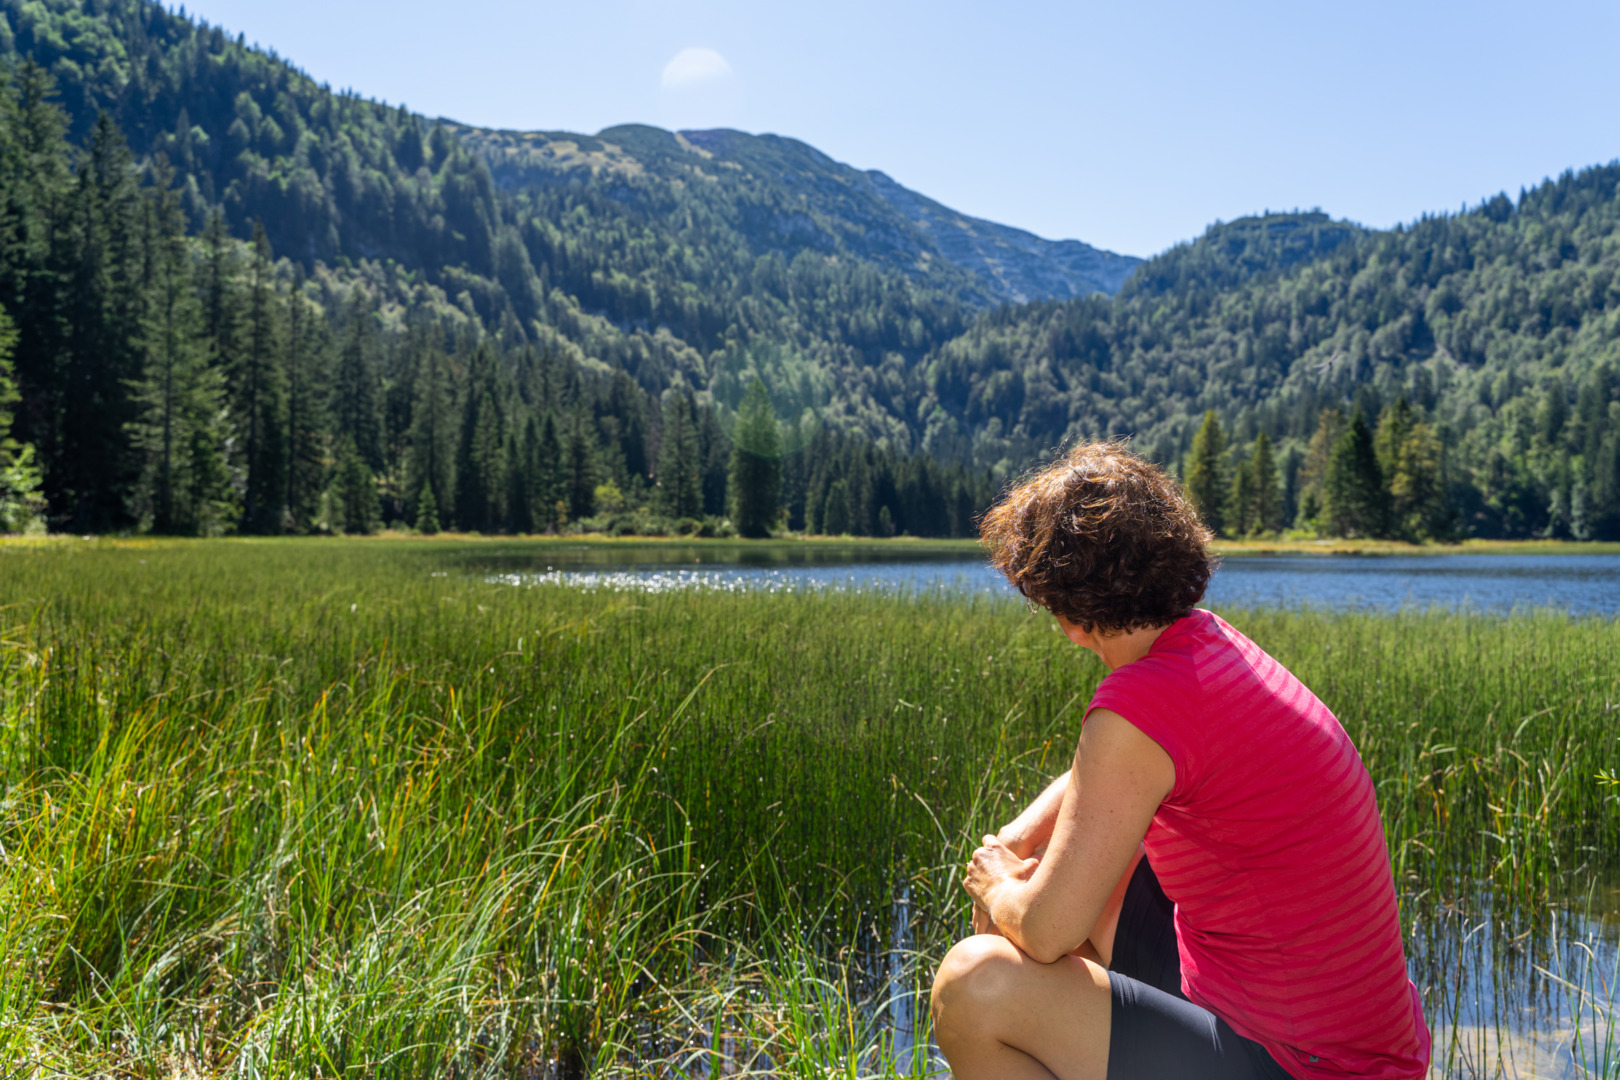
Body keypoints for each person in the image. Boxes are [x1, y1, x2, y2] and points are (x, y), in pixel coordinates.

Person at [930, 442, 1429, 1080]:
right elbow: (1108, 785)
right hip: (1337, 1038)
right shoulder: (1205, 644)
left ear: (1068, 616)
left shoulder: (1136, 707)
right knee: (1080, 873)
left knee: (974, 986)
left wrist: (999, 887)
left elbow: (1049, 931)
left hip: (1305, 1066)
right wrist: (1019, 837)